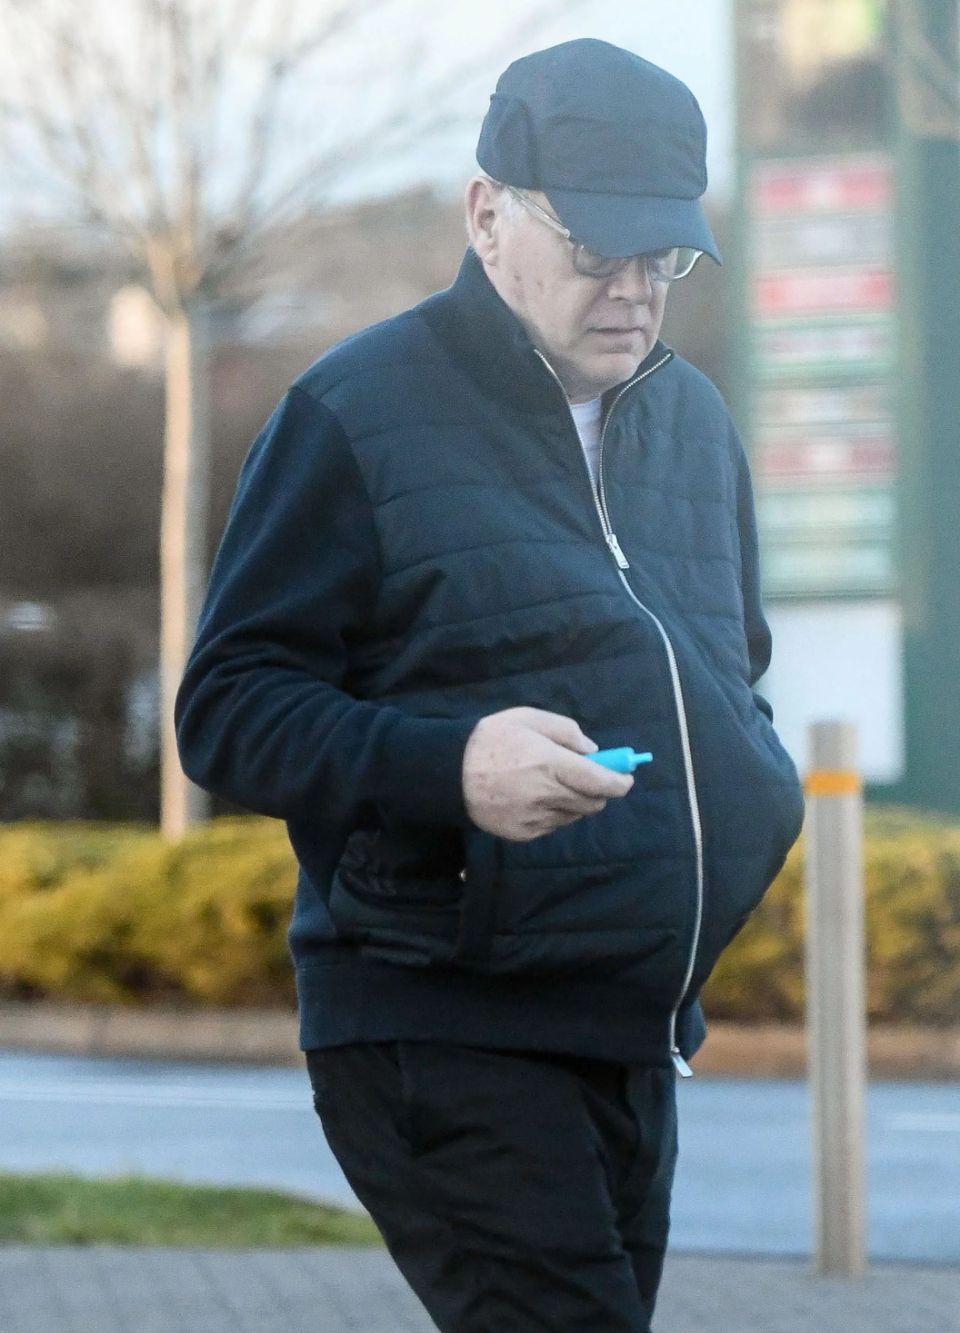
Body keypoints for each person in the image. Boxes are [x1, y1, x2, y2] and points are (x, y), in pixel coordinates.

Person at [176, 39, 803, 1331]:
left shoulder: (692, 423)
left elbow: (730, 670)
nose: (634, 291)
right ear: (487, 214)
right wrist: (449, 767)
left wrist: (757, 781)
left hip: (633, 1029)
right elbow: (225, 709)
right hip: (436, 1018)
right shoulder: (354, 412)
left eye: (666, 257)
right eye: (597, 251)